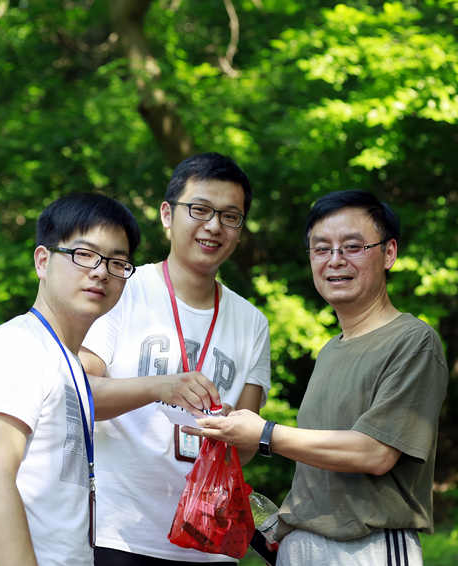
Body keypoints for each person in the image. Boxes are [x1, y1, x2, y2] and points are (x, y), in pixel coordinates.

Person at [188, 190, 449, 566]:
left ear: (389, 252)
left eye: (353, 246)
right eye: (321, 249)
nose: (335, 260)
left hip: (367, 549)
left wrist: (264, 433)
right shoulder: (329, 349)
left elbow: (375, 453)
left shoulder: (413, 341)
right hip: (299, 547)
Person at [79, 152, 272, 565]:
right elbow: (79, 396)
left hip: (209, 541)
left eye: (230, 216)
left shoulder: (253, 322)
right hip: (119, 535)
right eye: (200, 209)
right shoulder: (121, 290)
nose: (214, 226)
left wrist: (231, 428)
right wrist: (159, 387)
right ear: (167, 214)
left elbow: (247, 446)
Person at [0, 193, 141, 566]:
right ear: (42, 261)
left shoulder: (66, 362)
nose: (101, 271)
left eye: (117, 262)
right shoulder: (16, 347)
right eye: (84, 254)